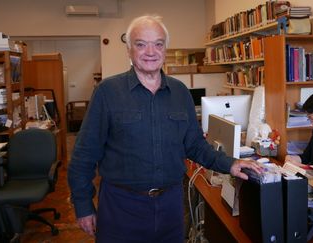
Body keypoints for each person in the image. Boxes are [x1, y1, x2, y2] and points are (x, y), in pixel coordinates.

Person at [67, 15, 263, 242]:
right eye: (141, 44)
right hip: (121, 208)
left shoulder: (180, 92)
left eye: (158, 44)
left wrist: (230, 163)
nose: (150, 51)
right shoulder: (107, 92)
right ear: (129, 50)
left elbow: (195, 145)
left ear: (165, 49)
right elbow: (84, 155)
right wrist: (83, 205)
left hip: (170, 207)